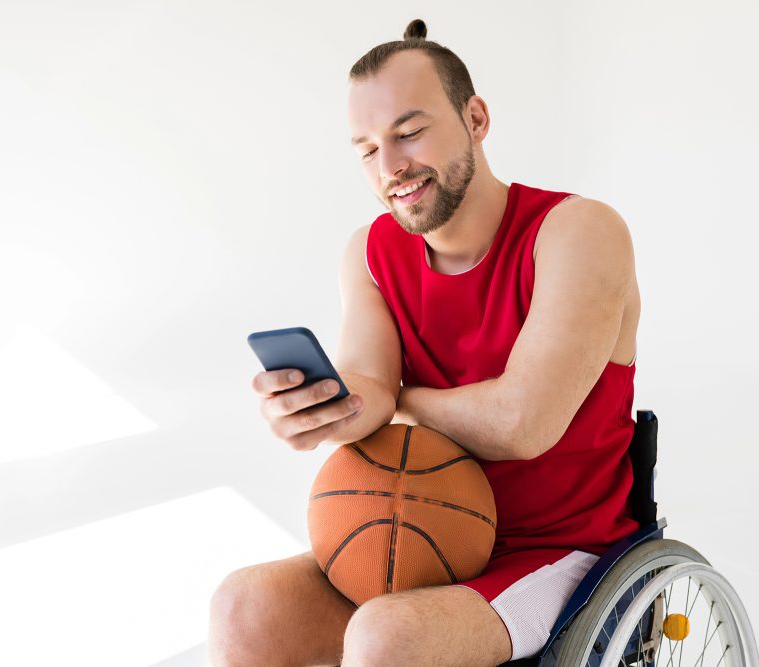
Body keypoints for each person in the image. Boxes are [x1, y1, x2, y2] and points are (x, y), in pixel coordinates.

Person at [209, 18, 641, 667]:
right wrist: (328, 405)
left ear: (476, 117)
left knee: (387, 636)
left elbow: (522, 423)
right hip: (422, 524)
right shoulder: (370, 251)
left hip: (558, 549)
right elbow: (368, 382)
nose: (390, 167)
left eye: (409, 132)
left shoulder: (578, 231)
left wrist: (399, 401)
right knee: (243, 605)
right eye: (366, 147)